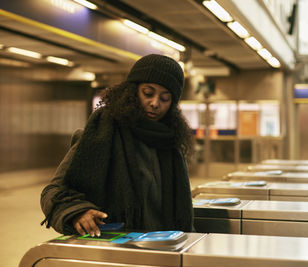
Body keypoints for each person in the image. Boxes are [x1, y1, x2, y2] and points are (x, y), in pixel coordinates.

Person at [40, 54, 194, 237]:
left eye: (165, 98)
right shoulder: (100, 135)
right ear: (133, 91)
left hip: (164, 249)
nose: (154, 103)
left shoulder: (170, 144)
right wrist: (78, 212)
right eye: (148, 93)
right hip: (115, 250)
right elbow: (53, 192)